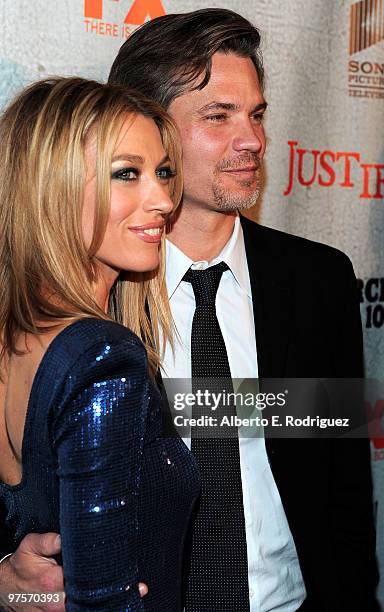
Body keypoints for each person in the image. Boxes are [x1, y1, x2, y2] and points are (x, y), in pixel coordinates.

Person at [0, 8, 379, 612]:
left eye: (256, 114)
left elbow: (345, 491)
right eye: (218, 116)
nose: (252, 138)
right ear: (151, 127)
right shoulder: (87, 305)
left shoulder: (318, 281)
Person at [0, 77, 200, 611]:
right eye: (126, 174)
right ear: (51, 187)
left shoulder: (17, 337)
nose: (163, 200)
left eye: (162, 172)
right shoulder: (100, 358)